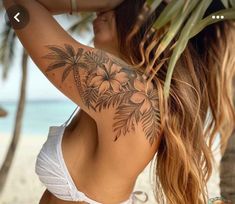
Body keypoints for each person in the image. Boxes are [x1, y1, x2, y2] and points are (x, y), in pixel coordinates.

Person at [3, 0, 235, 204]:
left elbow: (19, 8)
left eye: (120, 7)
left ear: (147, 25)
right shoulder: (142, 93)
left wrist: (103, 2)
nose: (100, 13)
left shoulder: (125, 90)